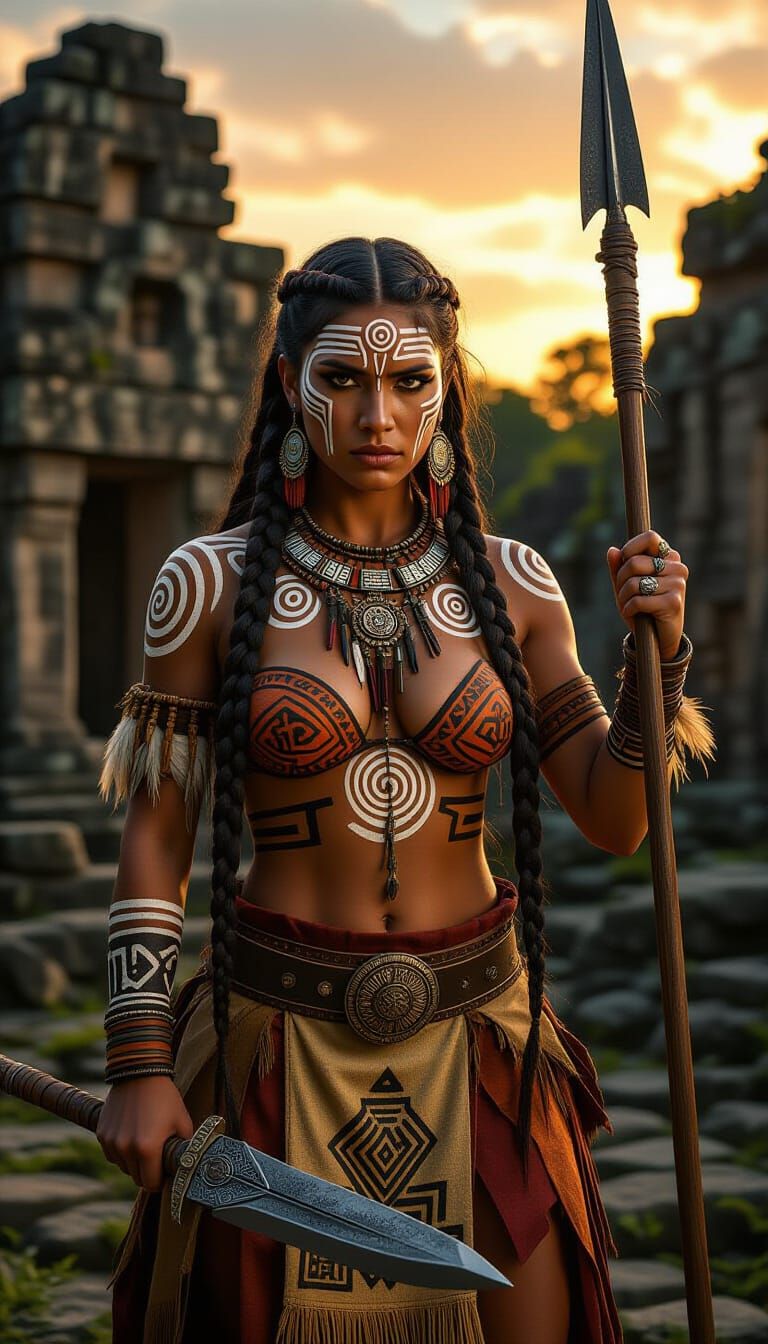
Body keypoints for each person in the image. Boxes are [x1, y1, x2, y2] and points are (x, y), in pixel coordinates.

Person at [95, 236, 714, 1344]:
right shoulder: (207, 582)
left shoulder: (517, 585)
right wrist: (139, 1061)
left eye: (409, 380)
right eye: (342, 378)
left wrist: (654, 659)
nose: (377, 413)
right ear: (291, 384)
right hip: (275, 1041)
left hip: (485, 1040)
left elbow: (619, 820)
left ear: (446, 388)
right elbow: (159, 838)